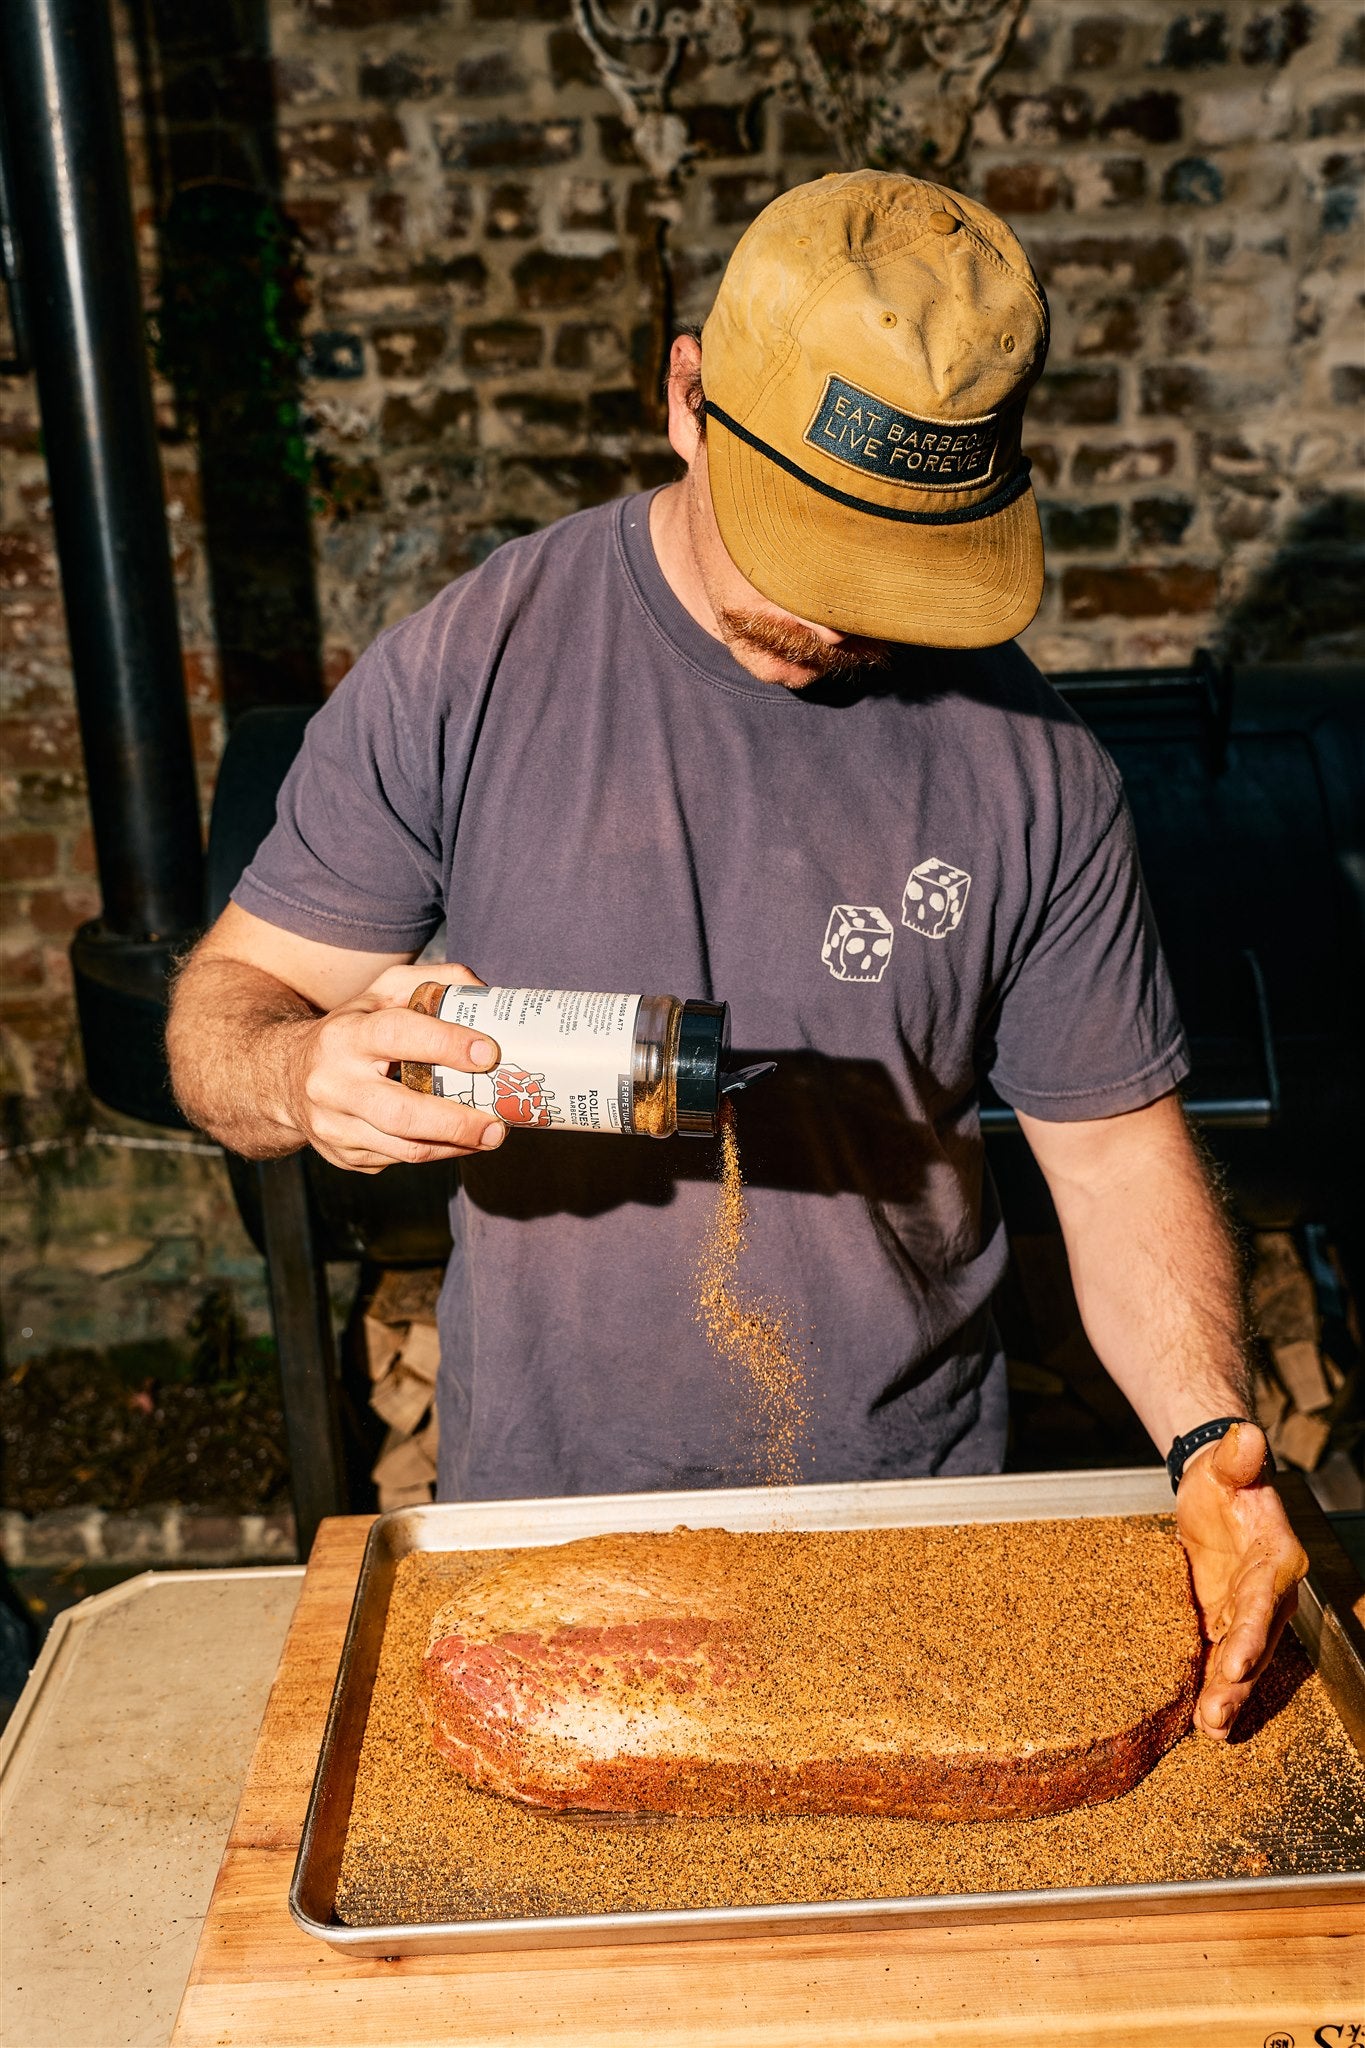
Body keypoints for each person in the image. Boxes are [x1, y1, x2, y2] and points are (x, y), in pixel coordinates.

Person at [168, 170, 1307, 1741]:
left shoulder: (1033, 766)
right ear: (689, 396)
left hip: (908, 1528)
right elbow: (223, 1018)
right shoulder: (478, 661)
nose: (852, 615)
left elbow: (1111, 1161)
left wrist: (1208, 1444)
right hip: (549, 1535)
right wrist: (299, 1073)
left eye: (900, 563)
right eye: (814, 543)